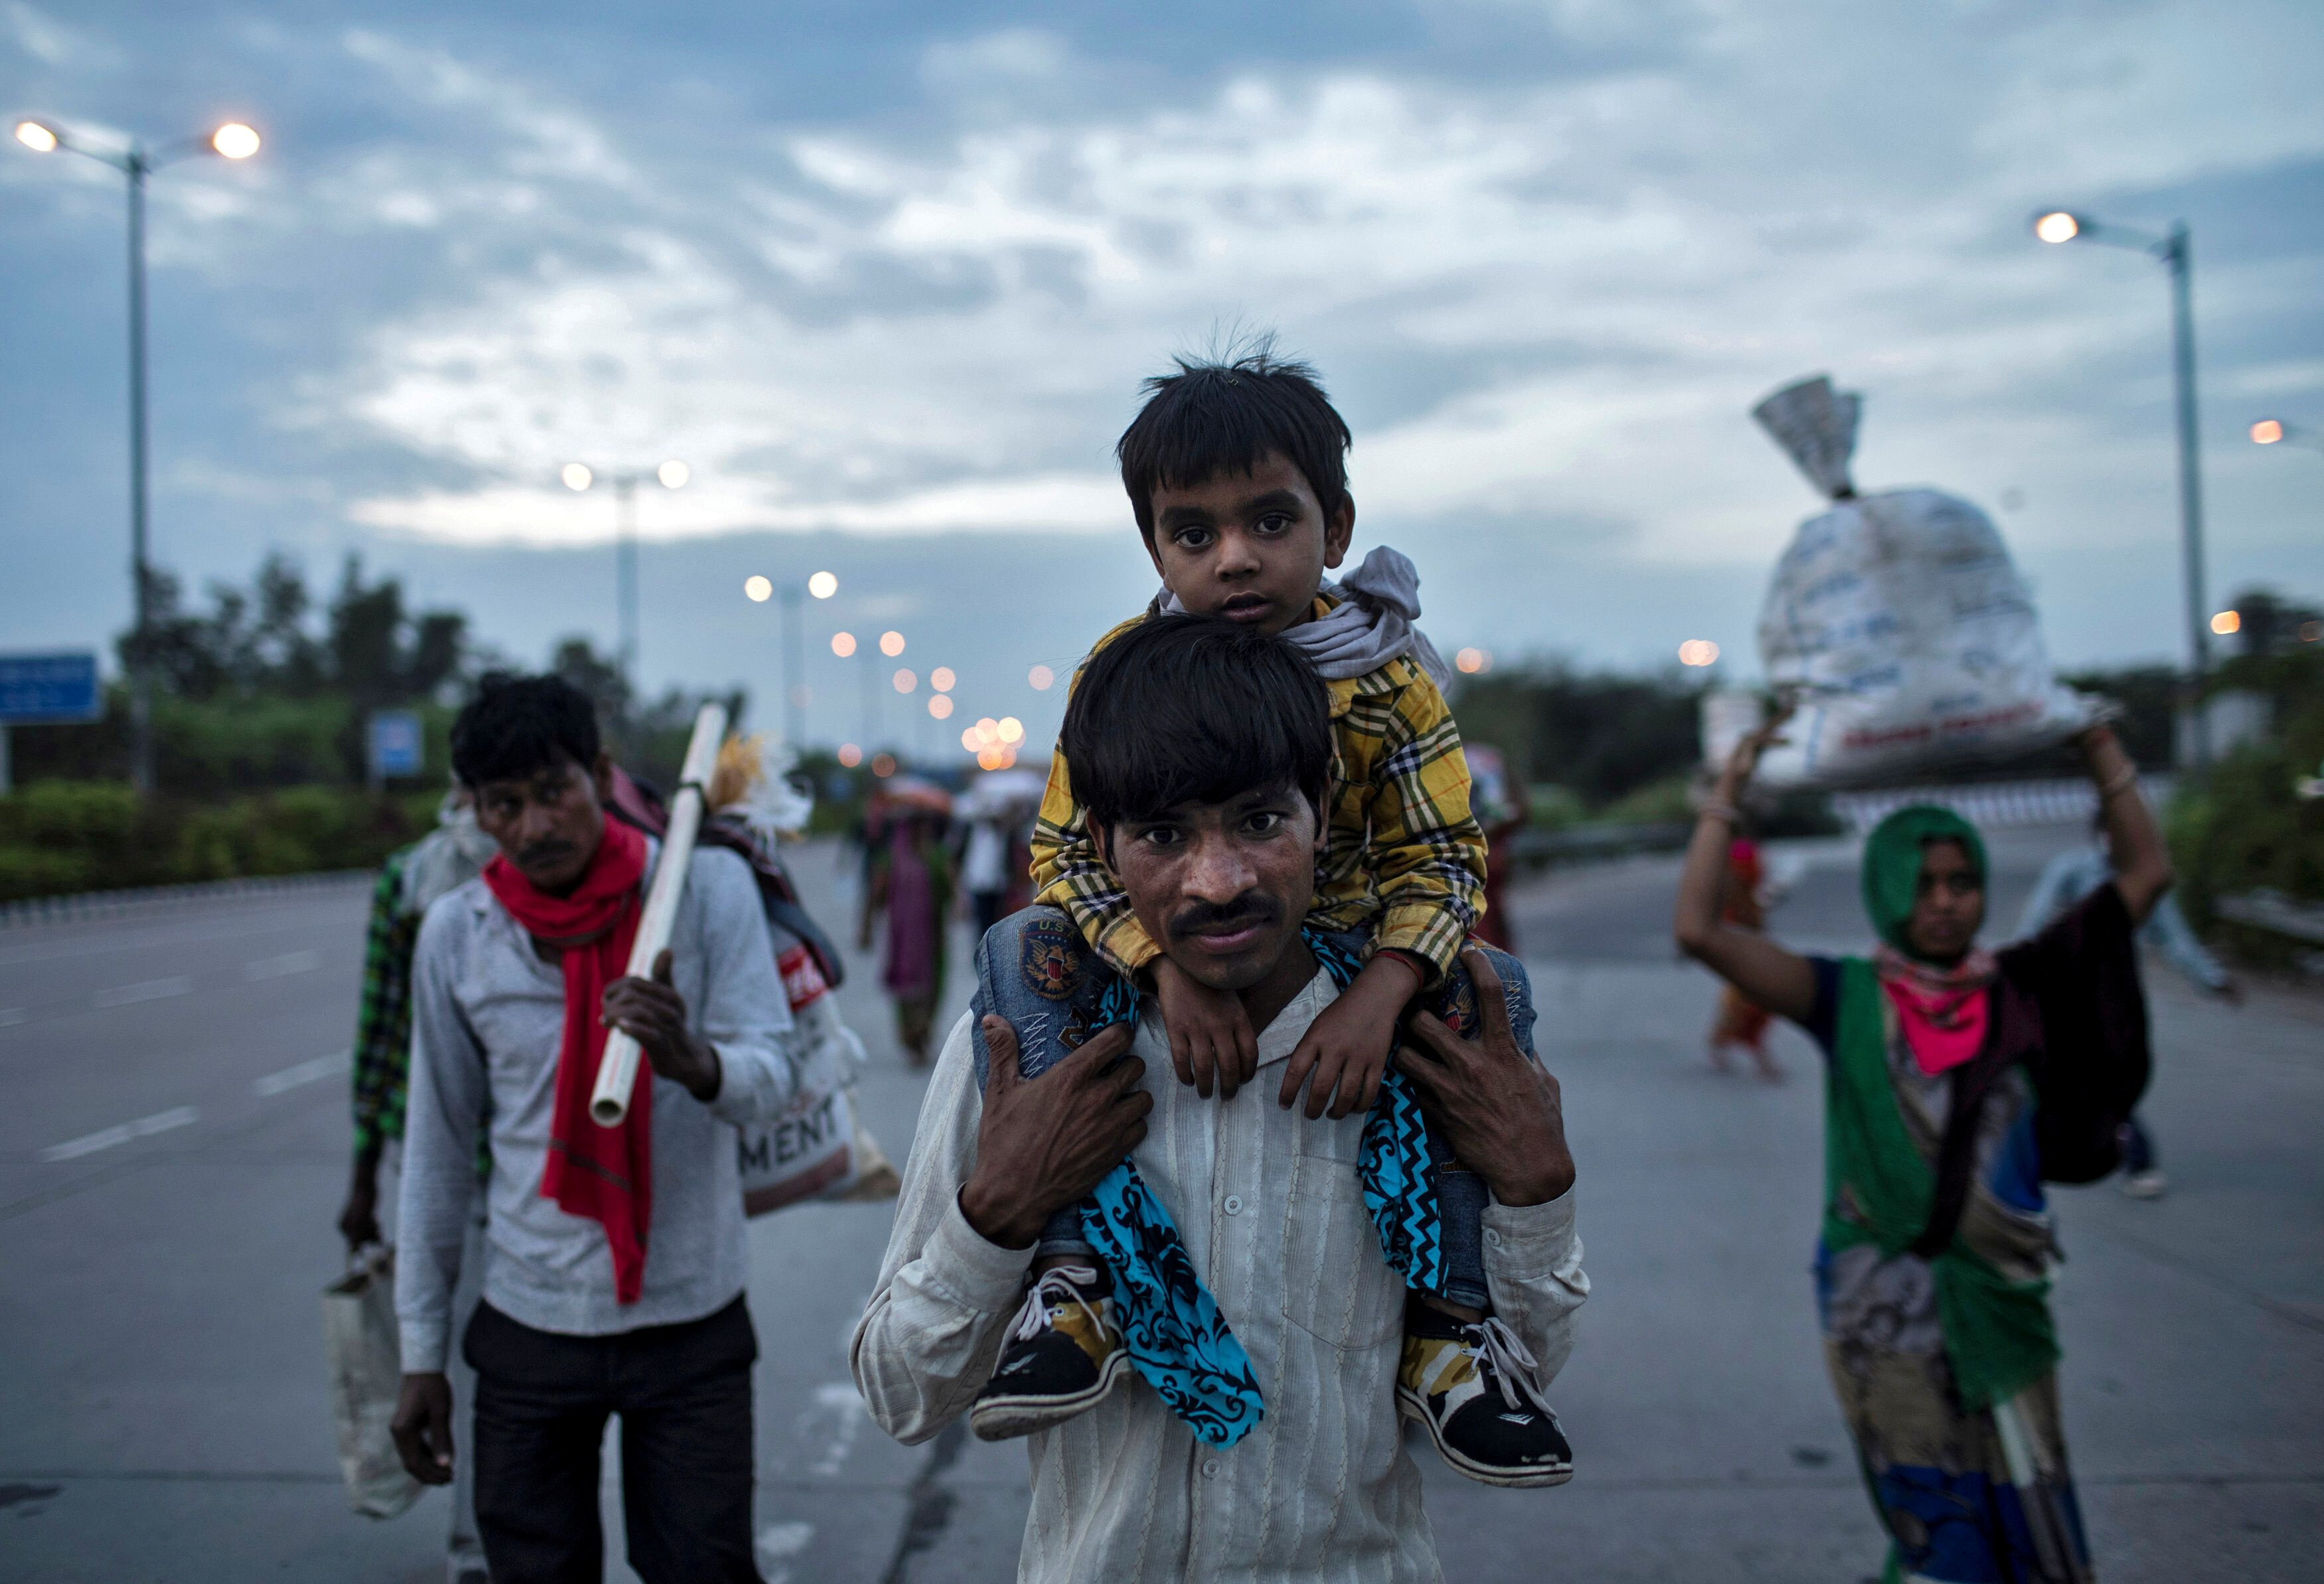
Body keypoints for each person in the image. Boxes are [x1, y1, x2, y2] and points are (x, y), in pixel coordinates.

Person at [852, 618, 1586, 1581]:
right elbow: (904, 1391)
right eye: (1163, 834)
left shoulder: (1426, 1047)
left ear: (1322, 808)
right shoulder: (1027, 1053)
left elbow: (1529, 1364)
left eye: (1259, 821)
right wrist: (1003, 1209)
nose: (1220, 879)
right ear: (1101, 842)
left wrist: (1537, 1189)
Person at [1013, 349, 1560, 1484]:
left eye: (1271, 520)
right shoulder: (1124, 676)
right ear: (1155, 547)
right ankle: (1071, 1286)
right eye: (1194, 534)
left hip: (1351, 964)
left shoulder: (1389, 678)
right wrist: (1160, 974)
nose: (1238, 558)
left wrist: (1380, 993)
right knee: (1017, 951)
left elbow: (1444, 856)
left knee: (1498, 983)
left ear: (1338, 522)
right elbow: (1066, 853)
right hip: (1172, 948)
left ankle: (1455, 1332)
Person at [1675, 712, 2169, 1584]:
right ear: (1887, 884)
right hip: (1881, 1305)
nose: (1946, 900)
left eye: (1962, 881)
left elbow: (2146, 874)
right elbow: (1700, 933)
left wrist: (2099, 749)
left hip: (2004, 1300)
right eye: (1925, 880)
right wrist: (1730, 791)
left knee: (2031, 1511)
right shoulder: (1845, 994)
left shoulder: (2022, 981)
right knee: (1936, 1522)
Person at [390, 674, 803, 1584]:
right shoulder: (458, 934)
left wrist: (693, 1057)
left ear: (601, 777)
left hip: (690, 1321)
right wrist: (422, 1354)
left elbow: (774, 1079)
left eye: (554, 792)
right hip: (529, 1322)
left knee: (704, 1567)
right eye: (505, 804)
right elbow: (437, 1151)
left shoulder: (706, 888)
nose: (536, 825)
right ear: (476, 812)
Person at [340, 786, 499, 1584]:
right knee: (459, 1358)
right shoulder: (411, 882)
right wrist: (365, 1172)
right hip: (444, 1162)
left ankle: (504, 1534)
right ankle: (473, 1545)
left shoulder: (562, 874)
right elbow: (381, 1030)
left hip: (540, 1170)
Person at [2014, 808, 2240, 1200]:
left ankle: (2123, 1153)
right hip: (2064, 992)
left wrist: (2212, 979)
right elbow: (2034, 922)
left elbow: (2176, 940)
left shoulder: (2143, 887)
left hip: (2114, 996)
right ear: (2099, 835)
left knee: (2108, 1075)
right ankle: (2129, 1157)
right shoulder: (2072, 871)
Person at [858, 778, 956, 1064]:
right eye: (916, 826)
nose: (921, 831)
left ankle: (923, 1032)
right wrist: (866, 929)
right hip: (902, 939)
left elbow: (952, 893)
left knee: (933, 986)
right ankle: (910, 1036)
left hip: (933, 937)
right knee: (906, 987)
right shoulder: (890, 858)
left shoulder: (938, 856)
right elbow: (875, 896)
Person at [1704, 834, 1782, 1080]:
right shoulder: (1727, 884)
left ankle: (1725, 1045)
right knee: (1749, 1002)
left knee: (1756, 1004)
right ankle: (1753, 1056)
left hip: (1753, 949)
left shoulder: (1748, 882)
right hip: (1738, 952)